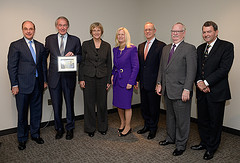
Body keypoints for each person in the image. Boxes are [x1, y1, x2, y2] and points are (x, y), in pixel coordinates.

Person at [191, 21, 234, 160]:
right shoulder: (200, 48)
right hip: (201, 91)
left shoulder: (227, 46)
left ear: (216, 32)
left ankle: (211, 148)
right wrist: (198, 82)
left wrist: (206, 82)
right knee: (202, 120)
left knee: (215, 121)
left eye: (209, 32)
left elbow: (224, 69)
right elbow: (196, 69)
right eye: (204, 32)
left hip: (217, 92)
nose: (206, 34)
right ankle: (204, 143)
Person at [156, 22, 197, 156]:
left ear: (183, 33)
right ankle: (170, 138)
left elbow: (191, 71)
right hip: (167, 89)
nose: (175, 33)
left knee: (182, 120)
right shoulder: (166, 49)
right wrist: (159, 83)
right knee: (170, 116)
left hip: (181, 91)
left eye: (178, 31)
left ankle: (180, 144)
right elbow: (162, 68)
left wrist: (187, 89)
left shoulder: (189, 48)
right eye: (173, 31)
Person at [7, 21, 47, 150]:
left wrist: (44, 80)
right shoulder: (15, 45)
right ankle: (22, 138)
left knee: (36, 112)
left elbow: (42, 66)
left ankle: (35, 134)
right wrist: (14, 84)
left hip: (37, 84)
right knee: (22, 114)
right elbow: (11, 66)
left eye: (31, 29)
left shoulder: (40, 46)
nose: (28, 31)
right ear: (22, 30)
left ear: (34, 30)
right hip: (22, 85)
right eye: (26, 29)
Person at [45, 16, 82, 140]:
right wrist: (44, 78)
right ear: (56, 26)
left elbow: (81, 57)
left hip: (68, 78)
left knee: (69, 104)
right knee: (56, 105)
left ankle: (70, 128)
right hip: (54, 78)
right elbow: (44, 58)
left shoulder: (75, 40)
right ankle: (59, 128)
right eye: (60, 25)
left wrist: (74, 57)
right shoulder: (49, 39)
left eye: (65, 25)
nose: (62, 27)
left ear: (68, 26)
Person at [79, 22, 112, 137]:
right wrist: (81, 78)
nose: (96, 32)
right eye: (94, 30)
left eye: (98, 30)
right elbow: (82, 63)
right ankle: (90, 128)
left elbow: (109, 64)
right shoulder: (86, 44)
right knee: (89, 104)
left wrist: (108, 81)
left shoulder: (107, 45)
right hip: (88, 77)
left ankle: (103, 127)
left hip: (103, 78)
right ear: (91, 32)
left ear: (101, 32)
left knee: (102, 104)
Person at [136, 22, 166, 139]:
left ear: (154, 31)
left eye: (150, 29)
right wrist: (137, 80)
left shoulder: (161, 46)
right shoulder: (141, 46)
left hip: (154, 83)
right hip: (143, 83)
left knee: (154, 107)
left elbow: (161, 66)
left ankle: (153, 128)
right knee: (144, 106)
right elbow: (140, 65)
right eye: (146, 30)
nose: (147, 31)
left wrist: (159, 83)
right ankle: (147, 125)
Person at [111, 27, 139, 137]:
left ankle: (128, 126)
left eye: (122, 34)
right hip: (118, 80)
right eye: (119, 34)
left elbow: (136, 67)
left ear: (126, 36)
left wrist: (131, 82)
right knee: (118, 104)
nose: (120, 36)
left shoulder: (132, 48)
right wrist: (113, 74)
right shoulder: (115, 49)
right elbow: (116, 65)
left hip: (127, 81)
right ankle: (122, 122)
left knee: (126, 105)